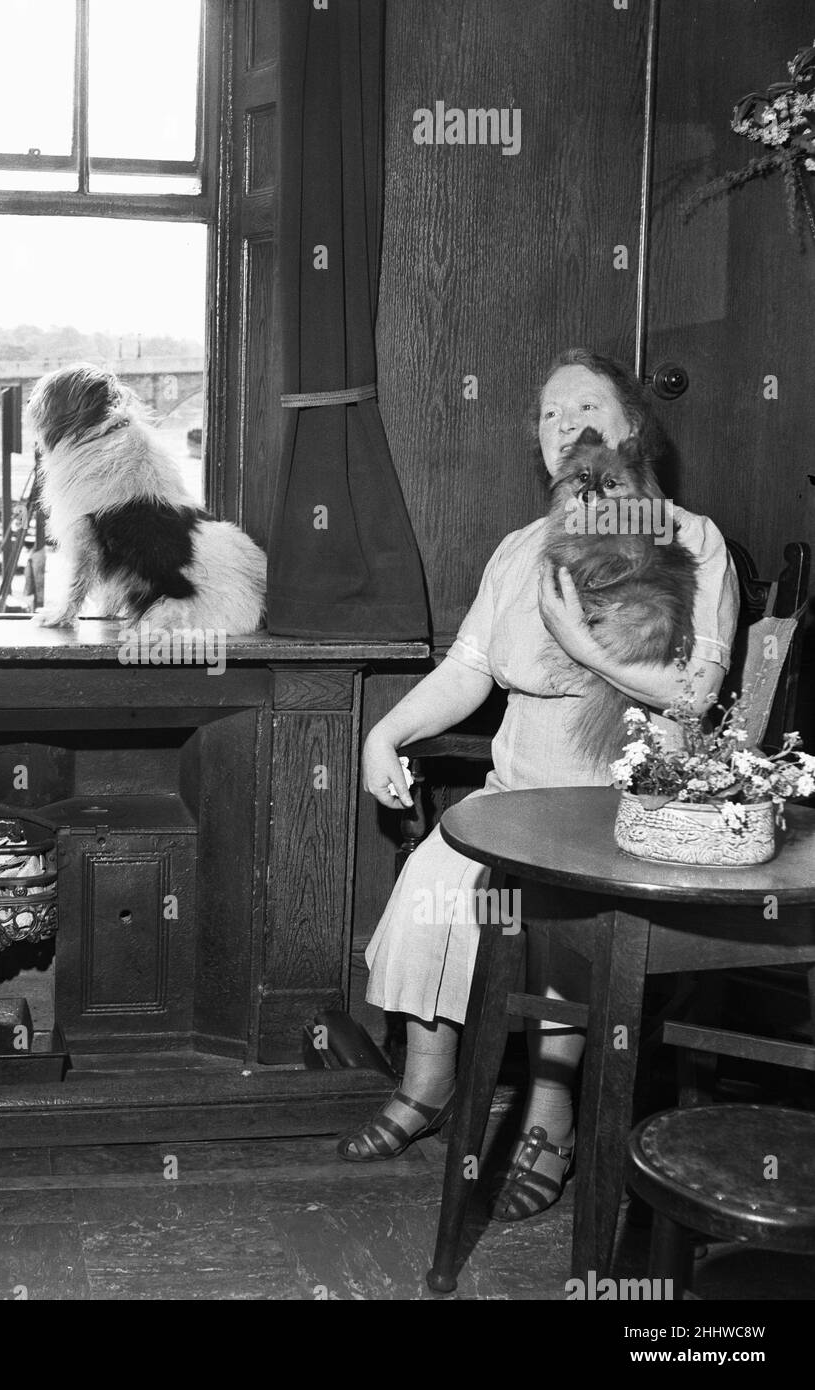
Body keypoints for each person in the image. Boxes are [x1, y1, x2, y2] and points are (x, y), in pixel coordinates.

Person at [340, 349, 739, 1220]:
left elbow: (696, 694)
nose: (567, 429)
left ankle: (549, 1118)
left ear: (630, 430)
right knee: (432, 890)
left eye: (587, 409)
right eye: (551, 418)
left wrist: (580, 639)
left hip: (620, 813)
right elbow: (470, 665)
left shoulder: (691, 539)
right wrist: (387, 730)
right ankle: (429, 1083)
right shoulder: (521, 547)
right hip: (511, 807)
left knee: (546, 922)